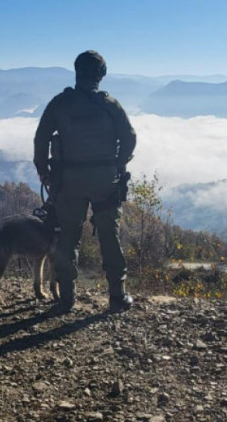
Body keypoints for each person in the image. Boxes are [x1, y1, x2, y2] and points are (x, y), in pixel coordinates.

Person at [33, 50, 136, 314]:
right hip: (105, 180)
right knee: (110, 238)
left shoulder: (60, 103)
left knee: (68, 237)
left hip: (68, 181)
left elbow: (41, 138)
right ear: (101, 75)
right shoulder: (110, 105)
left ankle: (66, 297)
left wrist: (43, 171)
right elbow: (129, 137)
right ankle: (117, 296)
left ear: (77, 72)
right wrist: (119, 163)